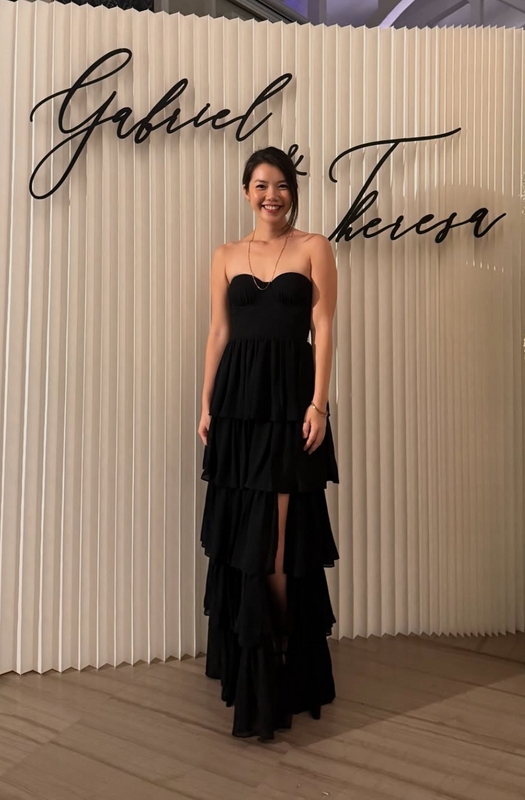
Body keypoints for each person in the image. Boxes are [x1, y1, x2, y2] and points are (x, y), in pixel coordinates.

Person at [197, 146, 339, 741]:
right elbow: (219, 332)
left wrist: (319, 404)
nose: (271, 195)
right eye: (260, 185)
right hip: (237, 407)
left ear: (292, 192)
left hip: (289, 408)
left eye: (281, 185)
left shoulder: (314, 248)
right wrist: (206, 403)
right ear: (246, 191)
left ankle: (279, 657)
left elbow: (324, 328)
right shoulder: (226, 255)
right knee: (244, 538)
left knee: (279, 546)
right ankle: (252, 660)